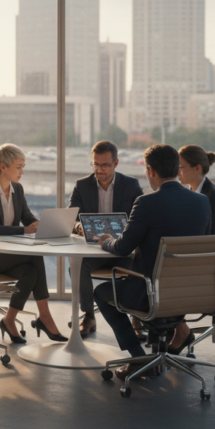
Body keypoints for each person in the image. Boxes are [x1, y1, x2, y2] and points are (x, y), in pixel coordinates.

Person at [92, 144, 212, 381]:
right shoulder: (202, 202)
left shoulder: (146, 203)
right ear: (178, 170)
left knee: (101, 292)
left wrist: (105, 240)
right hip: (189, 293)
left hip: (150, 293)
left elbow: (122, 248)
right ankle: (161, 348)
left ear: (151, 171)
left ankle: (137, 357)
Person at [0, 144, 67, 344]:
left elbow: (27, 218)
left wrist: (42, 225)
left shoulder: (17, 189)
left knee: (30, 272)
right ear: (3, 167)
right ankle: (45, 317)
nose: (22, 172)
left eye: (23, 166)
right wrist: (24, 230)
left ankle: (9, 320)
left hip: (6, 253)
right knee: (35, 256)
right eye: (19, 167)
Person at [171, 144, 215, 355]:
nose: (178, 173)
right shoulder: (192, 193)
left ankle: (178, 330)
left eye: (181, 168)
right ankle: (173, 328)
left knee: (166, 277)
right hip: (205, 259)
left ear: (197, 169)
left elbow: (209, 237)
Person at [68, 140, 143, 337]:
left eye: (105, 165)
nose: (99, 169)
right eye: (95, 164)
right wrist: (78, 226)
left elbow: (141, 217)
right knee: (77, 266)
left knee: (140, 262)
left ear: (116, 163)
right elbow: (71, 217)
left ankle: (136, 315)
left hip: (121, 248)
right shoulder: (82, 185)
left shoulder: (131, 185)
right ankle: (89, 315)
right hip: (95, 249)